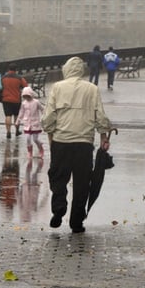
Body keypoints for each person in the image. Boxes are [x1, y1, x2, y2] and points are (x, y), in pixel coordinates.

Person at [42, 56, 112, 234]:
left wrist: (50, 131)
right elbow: (100, 116)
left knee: (58, 178)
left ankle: (58, 210)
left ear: (66, 70)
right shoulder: (92, 89)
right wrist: (104, 136)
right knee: (82, 184)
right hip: (84, 144)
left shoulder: (57, 88)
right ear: (82, 70)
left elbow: (49, 117)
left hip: (61, 142)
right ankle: (76, 222)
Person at [0, 64, 28, 138]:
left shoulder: (3, 78)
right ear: (16, 70)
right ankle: (16, 131)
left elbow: (0, 86)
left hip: (6, 99)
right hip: (16, 99)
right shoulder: (19, 78)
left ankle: (8, 132)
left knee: (8, 115)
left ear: (8, 69)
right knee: (16, 116)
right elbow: (26, 86)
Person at [18, 86, 45, 159]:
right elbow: (21, 112)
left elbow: (42, 109)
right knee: (28, 138)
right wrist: (18, 120)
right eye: (25, 96)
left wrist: (44, 117)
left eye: (28, 96)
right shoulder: (24, 103)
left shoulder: (36, 102)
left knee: (35, 139)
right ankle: (30, 152)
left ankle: (41, 148)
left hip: (35, 123)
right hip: (27, 124)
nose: (26, 98)